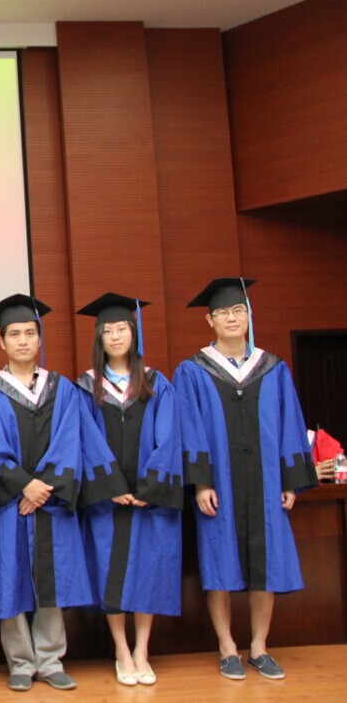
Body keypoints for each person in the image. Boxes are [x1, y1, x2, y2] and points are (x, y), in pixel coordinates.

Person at [0, 293, 126, 693]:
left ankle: (51, 660)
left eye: (30, 333)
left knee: (54, 578)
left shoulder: (63, 389)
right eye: (14, 334)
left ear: (40, 339)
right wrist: (23, 484)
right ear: (2, 342)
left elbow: (71, 440)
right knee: (10, 579)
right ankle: (20, 662)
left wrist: (43, 488)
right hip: (8, 503)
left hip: (53, 501)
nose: (23, 340)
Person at [174, 278, 317, 681]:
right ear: (210, 321)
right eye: (223, 313)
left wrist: (289, 480)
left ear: (249, 315)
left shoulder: (273, 369)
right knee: (218, 562)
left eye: (238, 310)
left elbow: (290, 425)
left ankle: (259, 647)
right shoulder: (193, 371)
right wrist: (201, 482)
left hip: (266, 482)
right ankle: (226, 648)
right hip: (219, 485)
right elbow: (189, 428)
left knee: (265, 564)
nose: (232, 318)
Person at [74, 294, 183, 687]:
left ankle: (142, 650)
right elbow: (85, 438)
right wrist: (112, 486)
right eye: (108, 331)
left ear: (134, 334)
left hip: (148, 500)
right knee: (111, 571)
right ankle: (121, 649)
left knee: (147, 571)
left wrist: (149, 487)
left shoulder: (156, 383)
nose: (116, 336)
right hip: (109, 501)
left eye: (122, 329)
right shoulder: (86, 387)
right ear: (99, 339)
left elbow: (169, 438)